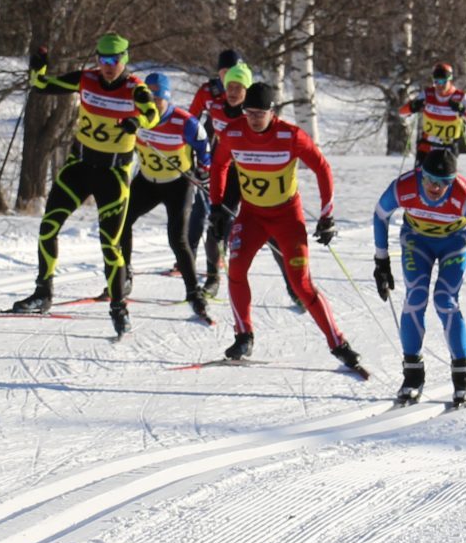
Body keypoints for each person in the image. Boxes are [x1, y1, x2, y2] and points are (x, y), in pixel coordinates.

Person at [207, 81, 363, 374]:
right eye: (248, 111)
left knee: (300, 283)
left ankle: (338, 343)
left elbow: (322, 168)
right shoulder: (234, 132)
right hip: (251, 216)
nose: (253, 118)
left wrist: (327, 215)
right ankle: (244, 337)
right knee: (236, 270)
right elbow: (219, 166)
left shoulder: (290, 136)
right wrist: (216, 206)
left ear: (273, 111)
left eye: (260, 113)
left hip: (287, 217)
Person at [9, 34, 159, 336]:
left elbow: (153, 114)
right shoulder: (85, 79)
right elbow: (41, 86)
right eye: (103, 60)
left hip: (113, 175)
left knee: (109, 245)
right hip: (79, 166)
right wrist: (36, 68)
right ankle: (43, 293)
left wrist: (137, 123)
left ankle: (118, 306)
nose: (108, 66)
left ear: (124, 60)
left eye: (114, 60)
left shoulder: (135, 89)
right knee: (48, 226)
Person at [369, 146, 466, 407]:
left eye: (444, 183)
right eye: (429, 180)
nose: (435, 188)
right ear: (421, 174)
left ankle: (462, 374)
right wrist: (381, 261)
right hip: (417, 241)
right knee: (415, 297)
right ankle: (413, 374)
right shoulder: (405, 186)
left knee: (445, 300)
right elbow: (380, 214)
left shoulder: (464, 195)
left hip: (455, 241)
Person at [119, 71, 213, 322]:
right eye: (149, 99)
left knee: (177, 238)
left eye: (158, 100)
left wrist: (204, 170)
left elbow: (204, 148)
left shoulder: (184, 122)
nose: (154, 105)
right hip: (147, 181)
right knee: (121, 223)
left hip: (177, 184)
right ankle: (124, 273)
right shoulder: (137, 118)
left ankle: (194, 293)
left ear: (167, 99)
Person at [190, 59, 254, 296]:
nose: (234, 92)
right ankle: (212, 279)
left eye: (239, 88)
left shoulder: (253, 113)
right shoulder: (216, 108)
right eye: (230, 87)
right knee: (216, 225)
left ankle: (293, 287)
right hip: (225, 172)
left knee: (268, 228)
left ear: (247, 90)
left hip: (250, 173)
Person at [395, 61, 466, 161]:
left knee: (445, 176)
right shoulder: (427, 94)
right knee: (421, 176)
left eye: (443, 82)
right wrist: (413, 106)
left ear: (449, 80)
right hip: (427, 147)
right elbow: (402, 113)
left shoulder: (460, 97)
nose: (439, 86)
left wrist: (463, 110)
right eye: (436, 82)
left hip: (448, 148)